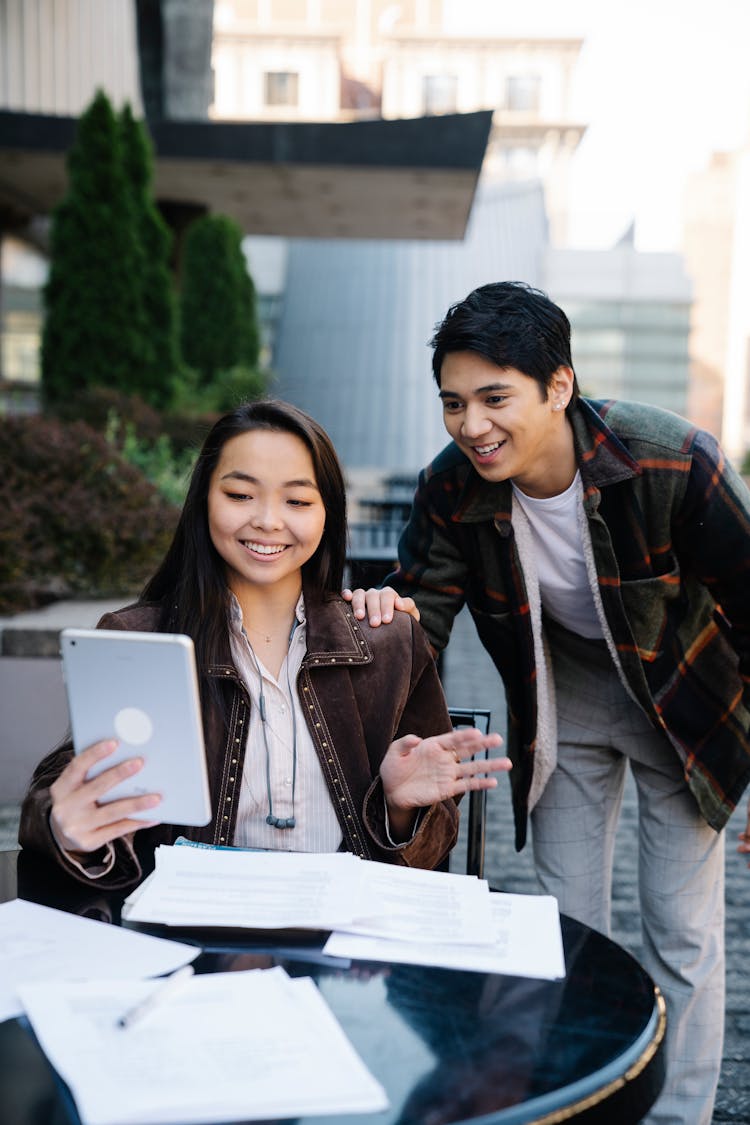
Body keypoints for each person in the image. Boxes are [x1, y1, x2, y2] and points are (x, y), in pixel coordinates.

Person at [345, 281, 750, 1125]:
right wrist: (391, 612)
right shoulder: (452, 488)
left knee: (683, 928)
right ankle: (586, 1103)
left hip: (682, 701)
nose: (472, 424)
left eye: (496, 397)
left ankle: (681, 1116)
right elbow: (426, 612)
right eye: (454, 402)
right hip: (559, 697)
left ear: (558, 386)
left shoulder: (674, 460)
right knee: (567, 925)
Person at [20, 399, 509, 892]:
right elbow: (64, 789)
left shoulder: (387, 639)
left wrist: (400, 808)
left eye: (297, 501)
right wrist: (66, 829)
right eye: (240, 495)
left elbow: (434, 839)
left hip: (346, 938)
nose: (269, 521)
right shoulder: (139, 639)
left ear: (327, 513)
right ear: (204, 500)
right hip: (191, 927)